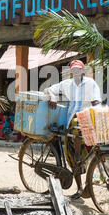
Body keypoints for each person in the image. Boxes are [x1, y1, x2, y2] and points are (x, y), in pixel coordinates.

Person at [44, 59, 102, 199]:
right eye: (73, 70)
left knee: (91, 151)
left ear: (83, 71)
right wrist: (52, 96)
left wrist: (97, 109)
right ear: (71, 71)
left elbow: (96, 101)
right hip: (72, 120)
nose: (76, 72)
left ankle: (89, 176)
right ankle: (80, 188)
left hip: (88, 119)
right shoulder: (66, 84)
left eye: (78, 70)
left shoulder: (90, 83)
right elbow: (49, 89)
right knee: (72, 157)